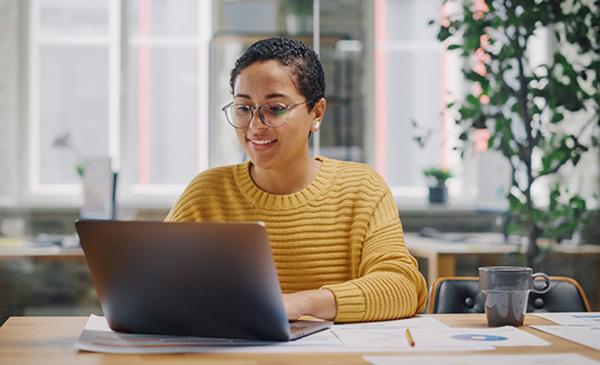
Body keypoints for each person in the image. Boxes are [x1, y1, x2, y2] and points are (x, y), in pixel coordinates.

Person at [166, 37, 427, 323]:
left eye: (275, 108)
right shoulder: (207, 192)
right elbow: (152, 281)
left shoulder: (361, 188)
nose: (255, 126)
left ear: (316, 113)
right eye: (244, 108)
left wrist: (299, 303)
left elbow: (401, 287)